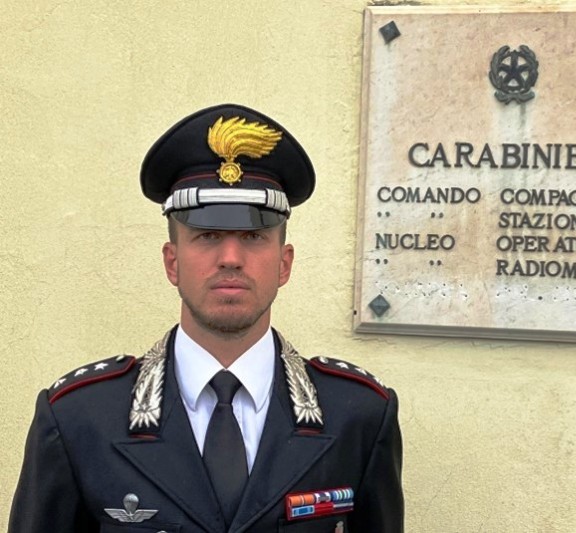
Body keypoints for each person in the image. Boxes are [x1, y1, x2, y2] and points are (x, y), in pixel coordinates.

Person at [9, 104, 404, 533]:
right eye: (208, 235)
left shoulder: (358, 417)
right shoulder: (79, 419)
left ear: (284, 263)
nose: (230, 257)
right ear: (172, 262)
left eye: (254, 236)